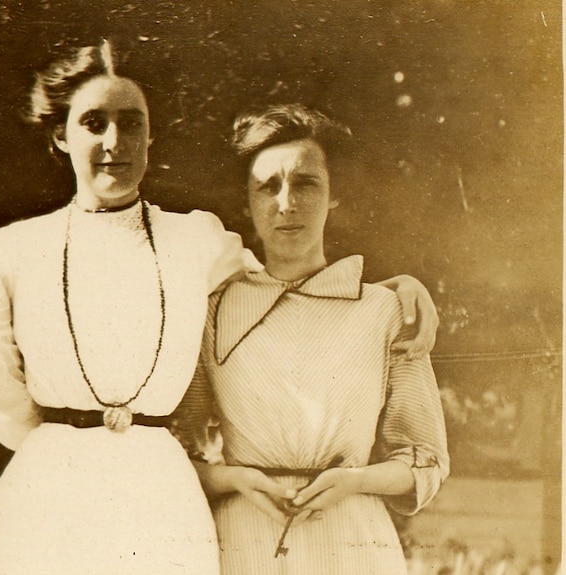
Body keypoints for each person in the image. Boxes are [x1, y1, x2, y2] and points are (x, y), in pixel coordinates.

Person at [0, 43, 438, 573]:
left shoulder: (197, 237)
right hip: (49, 482)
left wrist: (397, 288)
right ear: (62, 136)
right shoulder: (12, 249)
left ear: (150, 135)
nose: (114, 141)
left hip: (159, 483)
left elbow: (289, 282)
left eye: (130, 123)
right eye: (94, 122)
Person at [176, 104, 450, 574]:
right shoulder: (213, 311)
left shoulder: (385, 311)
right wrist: (234, 478)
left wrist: (353, 481)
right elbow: (181, 448)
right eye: (268, 186)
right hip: (243, 538)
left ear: (333, 194)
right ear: (246, 202)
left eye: (306, 183)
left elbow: (425, 460)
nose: (287, 203)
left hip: (354, 540)